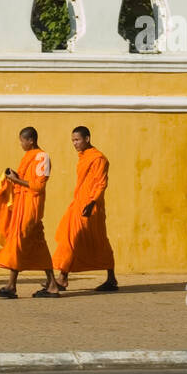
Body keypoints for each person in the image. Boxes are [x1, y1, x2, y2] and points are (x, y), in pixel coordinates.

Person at [0, 126, 60, 298]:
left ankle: (11, 286)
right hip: (23, 205)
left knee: (17, 243)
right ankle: (53, 285)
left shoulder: (42, 157)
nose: (21, 144)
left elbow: (39, 185)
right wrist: (15, 177)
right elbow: (28, 180)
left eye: (22, 140)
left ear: (30, 140)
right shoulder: (28, 157)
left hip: (31, 207)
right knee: (38, 244)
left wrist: (17, 180)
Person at [53, 125, 117, 292]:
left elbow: (101, 183)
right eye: (72, 140)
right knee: (70, 237)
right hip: (79, 203)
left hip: (91, 206)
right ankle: (63, 277)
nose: (74, 143)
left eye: (77, 140)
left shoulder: (98, 158)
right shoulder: (84, 157)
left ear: (87, 139)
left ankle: (111, 278)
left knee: (96, 241)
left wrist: (92, 202)